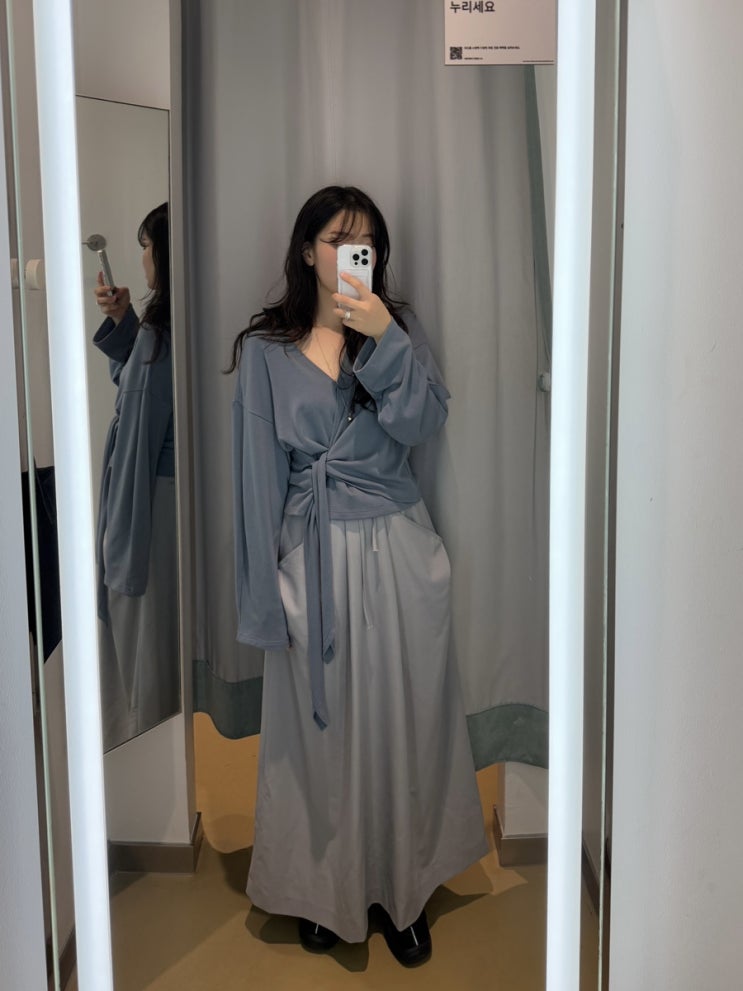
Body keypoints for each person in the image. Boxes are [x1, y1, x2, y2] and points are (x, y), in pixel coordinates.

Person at [230, 186, 487, 966]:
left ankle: (403, 890)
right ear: (307, 249)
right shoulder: (266, 351)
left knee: (405, 724)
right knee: (319, 739)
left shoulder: (395, 330)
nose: (350, 252)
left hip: (398, 548)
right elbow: (255, 479)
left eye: (364, 241)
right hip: (311, 552)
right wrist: (262, 598)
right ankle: (321, 889)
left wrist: (383, 340)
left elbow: (423, 425)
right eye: (337, 239)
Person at [93, 202, 179, 751]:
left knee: (144, 653)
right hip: (166, 500)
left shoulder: (159, 336)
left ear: (165, 253)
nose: (143, 258)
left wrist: (116, 547)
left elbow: (137, 440)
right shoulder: (170, 328)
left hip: (150, 503)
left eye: (147, 246)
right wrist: (127, 323)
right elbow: (138, 386)